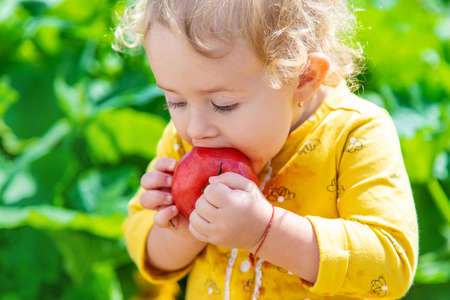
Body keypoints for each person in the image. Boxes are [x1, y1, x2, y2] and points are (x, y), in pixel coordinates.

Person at [115, 0, 418, 299]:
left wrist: (266, 231)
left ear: (303, 77)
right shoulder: (186, 140)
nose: (195, 129)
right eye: (175, 101)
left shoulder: (354, 134)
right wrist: (183, 228)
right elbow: (145, 247)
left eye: (223, 104)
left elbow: (392, 265)